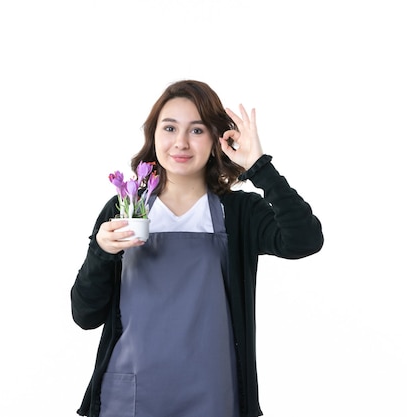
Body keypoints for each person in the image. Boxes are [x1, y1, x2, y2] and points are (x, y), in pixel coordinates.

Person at [71, 80, 323, 417]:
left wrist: (259, 166)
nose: (181, 142)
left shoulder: (239, 213)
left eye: (197, 130)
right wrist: (101, 251)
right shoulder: (125, 210)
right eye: (170, 127)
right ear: (153, 135)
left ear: (217, 138)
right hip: (130, 396)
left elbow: (305, 240)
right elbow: (85, 315)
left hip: (214, 394)